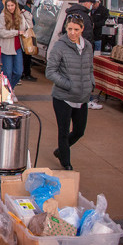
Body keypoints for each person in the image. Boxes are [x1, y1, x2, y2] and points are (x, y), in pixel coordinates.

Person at [45, 14, 94, 171]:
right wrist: (69, 85)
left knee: (79, 131)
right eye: (70, 29)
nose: (72, 33)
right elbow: (50, 72)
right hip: (63, 97)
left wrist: (90, 83)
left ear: (82, 29)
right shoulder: (59, 47)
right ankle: (66, 163)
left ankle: (60, 151)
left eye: (76, 29)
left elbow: (90, 68)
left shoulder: (88, 47)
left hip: (82, 97)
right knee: (64, 131)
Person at [0, 0, 33, 92]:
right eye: (8, 5)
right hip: (6, 48)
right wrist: (16, 32)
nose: (10, 8)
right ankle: (7, 92)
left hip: (17, 48)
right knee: (7, 72)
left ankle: (9, 90)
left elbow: (28, 27)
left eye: (12, 5)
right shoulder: (2, 16)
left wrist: (26, 13)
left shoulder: (20, 16)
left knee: (18, 72)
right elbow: (1, 32)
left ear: (16, 5)